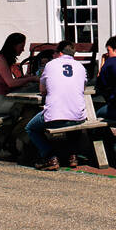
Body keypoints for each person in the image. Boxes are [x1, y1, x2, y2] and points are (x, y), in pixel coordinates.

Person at [26, 40, 88, 170]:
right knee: (72, 119)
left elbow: (42, 90)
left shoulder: (50, 65)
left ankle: (50, 156)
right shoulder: (81, 67)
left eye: (54, 52)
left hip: (55, 116)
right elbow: (83, 87)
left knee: (30, 128)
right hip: (78, 116)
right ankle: (72, 156)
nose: (53, 55)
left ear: (59, 53)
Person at [0, 33, 36, 116]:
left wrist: (24, 78)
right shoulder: (0, 59)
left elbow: (9, 81)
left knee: (29, 107)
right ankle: (23, 129)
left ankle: (19, 128)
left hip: (1, 99)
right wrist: (31, 79)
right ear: (13, 46)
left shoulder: (3, 59)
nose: (23, 49)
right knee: (30, 109)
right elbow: (11, 83)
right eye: (21, 46)